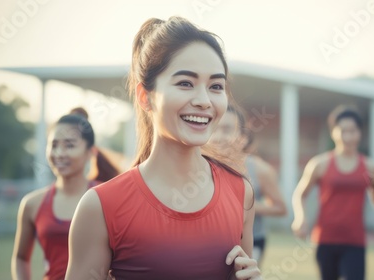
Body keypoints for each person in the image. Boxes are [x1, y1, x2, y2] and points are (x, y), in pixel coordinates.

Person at [65, 17, 261, 280]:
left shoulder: (240, 192)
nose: (204, 101)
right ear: (146, 96)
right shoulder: (100, 206)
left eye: (216, 86)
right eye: (185, 83)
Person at [12, 108, 120, 280]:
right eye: (54, 145)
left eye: (69, 145)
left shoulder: (109, 198)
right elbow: (21, 258)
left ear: (90, 152)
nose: (60, 153)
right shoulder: (32, 204)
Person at [291, 105, 374, 280]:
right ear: (333, 133)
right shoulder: (319, 164)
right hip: (325, 240)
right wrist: (300, 217)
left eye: (352, 131)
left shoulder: (370, 167)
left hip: (355, 241)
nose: (348, 136)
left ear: (360, 133)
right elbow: (300, 194)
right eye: (343, 131)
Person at [210, 105, 287, 265]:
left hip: (252, 241)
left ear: (243, 136)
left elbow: (281, 208)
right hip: (213, 241)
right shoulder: (200, 166)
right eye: (214, 128)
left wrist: (245, 204)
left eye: (227, 130)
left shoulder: (260, 169)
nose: (218, 136)